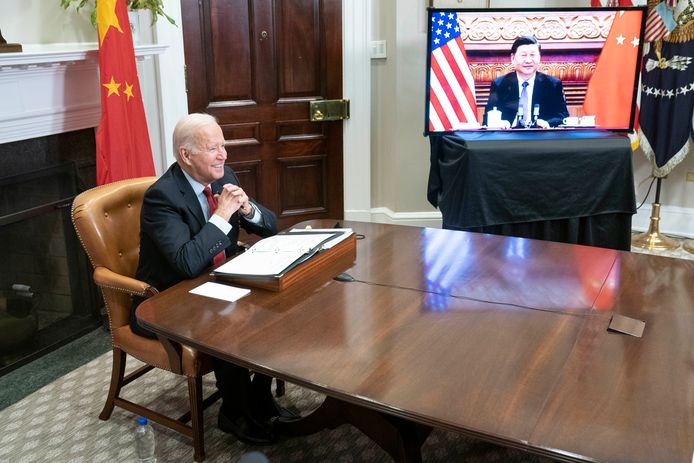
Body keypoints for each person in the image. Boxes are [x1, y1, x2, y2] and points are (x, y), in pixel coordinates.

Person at [130, 113, 290, 445]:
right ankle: (234, 412)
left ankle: (258, 396)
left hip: (218, 281)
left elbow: (271, 227)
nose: (224, 155)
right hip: (168, 299)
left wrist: (246, 210)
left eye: (223, 145)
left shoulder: (222, 176)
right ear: (186, 155)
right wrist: (221, 215)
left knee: (282, 304)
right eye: (213, 148)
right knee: (225, 321)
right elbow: (188, 263)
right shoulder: (162, 198)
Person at [483, 36, 569, 128]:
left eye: (533, 55)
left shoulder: (552, 84)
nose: (528, 60)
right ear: (512, 58)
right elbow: (487, 119)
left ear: (539, 57)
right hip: (509, 138)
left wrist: (546, 123)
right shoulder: (499, 84)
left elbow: (563, 117)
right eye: (523, 55)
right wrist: (501, 123)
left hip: (541, 137)